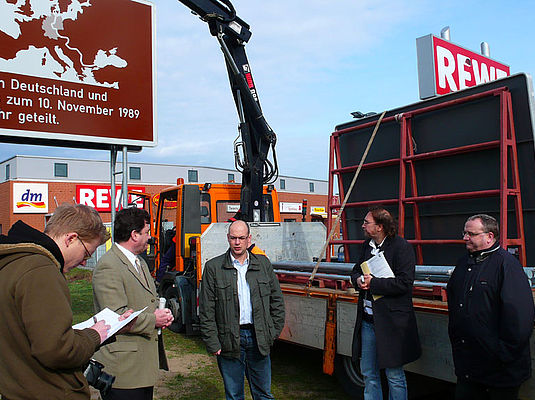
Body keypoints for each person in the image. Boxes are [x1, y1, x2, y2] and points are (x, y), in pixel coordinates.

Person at [0, 204, 112, 400]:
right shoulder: (41, 271)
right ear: (71, 238)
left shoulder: (13, 264)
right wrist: (94, 335)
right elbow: (58, 350)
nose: (85, 262)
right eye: (86, 253)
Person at [447, 214, 535, 400]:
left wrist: (501, 355)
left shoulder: (507, 266)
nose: (465, 238)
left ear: (490, 236)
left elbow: (520, 319)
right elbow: (455, 304)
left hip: (500, 372)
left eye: (471, 233)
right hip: (469, 368)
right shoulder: (464, 264)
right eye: (464, 232)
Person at [92, 207, 174, 400]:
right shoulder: (109, 266)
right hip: (124, 369)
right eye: (146, 233)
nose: (150, 238)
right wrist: (154, 320)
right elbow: (116, 316)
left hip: (141, 367)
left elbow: (146, 301)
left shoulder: (140, 262)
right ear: (134, 235)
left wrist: (161, 314)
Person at [199, 219, 285, 400]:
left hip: (258, 337)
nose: (237, 242)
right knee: (234, 394)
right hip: (229, 339)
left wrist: (272, 332)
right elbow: (207, 309)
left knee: (263, 394)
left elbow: (277, 302)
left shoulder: (263, 265)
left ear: (249, 239)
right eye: (233, 238)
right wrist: (213, 342)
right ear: (228, 238)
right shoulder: (214, 268)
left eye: (241, 238)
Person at [350, 206, 421, 400]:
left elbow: (405, 283)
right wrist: (357, 280)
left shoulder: (401, 247)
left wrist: (374, 284)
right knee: (368, 373)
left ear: (380, 226)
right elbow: (355, 271)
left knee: (394, 374)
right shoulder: (366, 246)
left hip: (391, 322)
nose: (363, 225)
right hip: (368, 321)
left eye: (367, 222)